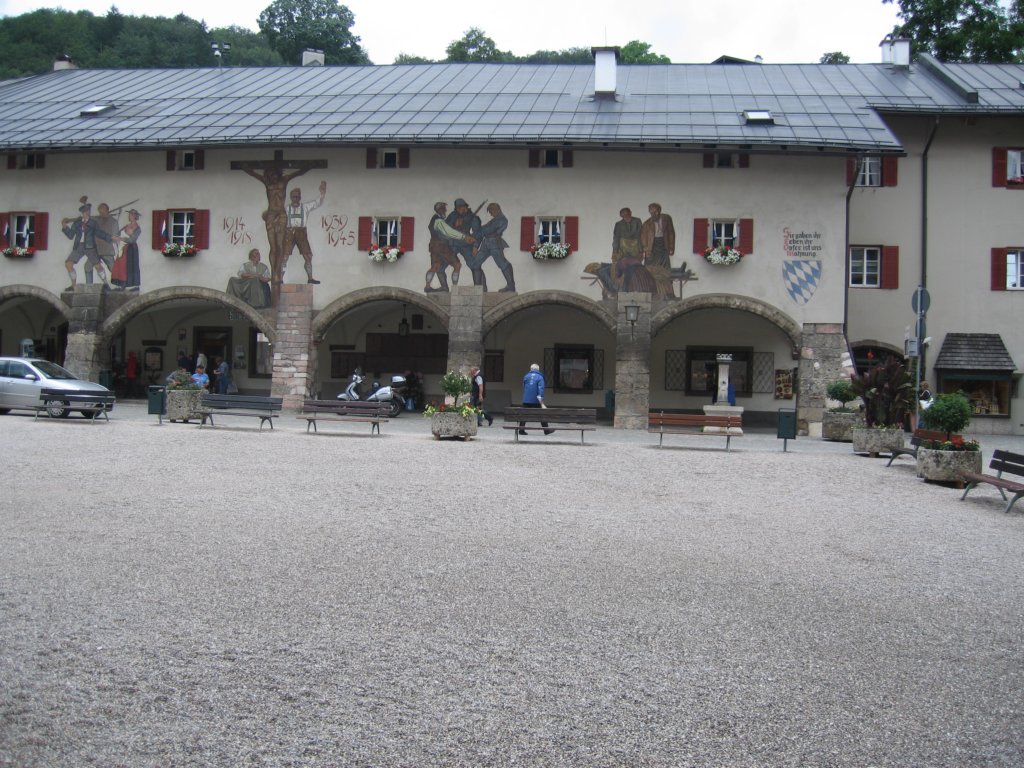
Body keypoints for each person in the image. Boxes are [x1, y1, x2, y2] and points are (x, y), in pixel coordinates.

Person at [61, 199, 117, 288]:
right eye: (86, 211)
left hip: (90, 247)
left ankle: (106, 284)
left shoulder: (93, 223)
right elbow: (71, 235)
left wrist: (110, 237)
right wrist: (65, 227)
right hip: (79, 246)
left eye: (89, 211)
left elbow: (99, 233)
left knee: (98, 266)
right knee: (68, 264)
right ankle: (73, 285)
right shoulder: (77, 223)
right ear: (82, 213)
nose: (88, 213)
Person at [281, 180, 327, 284]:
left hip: (301, 232)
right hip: (289, 232)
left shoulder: (305, 207)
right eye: (294, 197)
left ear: (300, 197)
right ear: (291, 197)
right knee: (284, 256)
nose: (296, 198)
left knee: (308, 256)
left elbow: (317, 203)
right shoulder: (286, 208)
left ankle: (310, 278)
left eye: (297, 197)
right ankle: (280, 278)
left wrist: (322, 193)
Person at [472, 202, 515, 292]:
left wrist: (478, 231)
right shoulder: (494, 220)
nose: (491, 214)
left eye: (491, 211)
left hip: (495, 244)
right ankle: (479, 288)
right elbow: (484, 230)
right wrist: (476, 244)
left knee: (503, 264)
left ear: (497, 210)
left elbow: (488, 230)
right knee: (475, 263)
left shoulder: (502, 220)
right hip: (486, 244)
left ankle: (511, 286)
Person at [424, 202, 465, 292]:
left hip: (434, 246)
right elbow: (448, 232)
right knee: (457, 265)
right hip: (442, 246)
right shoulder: (438, 221)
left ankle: (427, 287)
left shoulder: (435, 219)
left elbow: (445, 231)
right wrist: (463, 237)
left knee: (435, 266)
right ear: (440, 209)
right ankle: (455, 288)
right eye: (444, 208)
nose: (446, 210)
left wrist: (455, 226)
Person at [640, 202, 676, 298]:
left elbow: (671, 233)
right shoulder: (646, 224)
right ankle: (652, 293)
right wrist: (646, 250)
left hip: (663, 246)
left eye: (655, 212)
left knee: (665, 270)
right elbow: (643, 239)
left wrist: (671, 247)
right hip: (652, 247)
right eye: (651, 213)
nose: (653, 214)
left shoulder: (666, 218)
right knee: (649, 269)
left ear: (659, 211)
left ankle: (668, 293)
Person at [112, 208, 142, 291]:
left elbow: (132, 239)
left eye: (132, 214)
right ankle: (121, 284)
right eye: (130, 214)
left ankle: (130, 285)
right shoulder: (126, 226)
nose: (130, 216)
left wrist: (121, 238)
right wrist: (115, 236)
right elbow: (118, 233)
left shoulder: (137, 228)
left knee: (129, 267)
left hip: (131, 249)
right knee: (120, 265)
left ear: (135, 216)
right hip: (123, 247)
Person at [520, 363, 552, 435]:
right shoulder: (540, 377)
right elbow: (541, 389)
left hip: (526, 400)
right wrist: (541, 400)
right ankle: (546, 431)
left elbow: (524, 387)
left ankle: (521, 430)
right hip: (536, 400)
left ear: (531, 369)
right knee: (541, 415)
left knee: (524, 415)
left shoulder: (526, 376)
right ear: (538, 369)